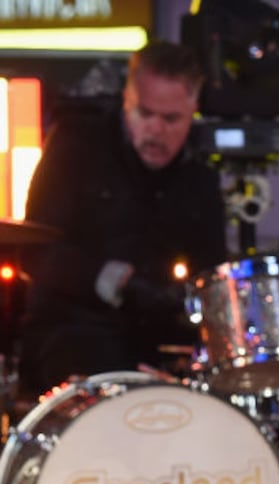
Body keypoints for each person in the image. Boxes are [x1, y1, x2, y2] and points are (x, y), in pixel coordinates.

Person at [18, 40, 227, 393]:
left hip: (164, 340)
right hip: (75, 332)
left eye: (171, 119)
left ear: (193, 109)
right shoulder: (75, 144)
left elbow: (212, 270)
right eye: (144, 114)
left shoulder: (201, 171)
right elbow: (34, 249)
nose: (156, 130)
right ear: (125, 100)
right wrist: (114, 281)